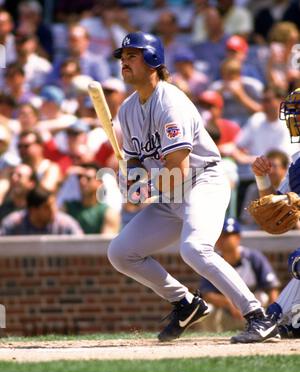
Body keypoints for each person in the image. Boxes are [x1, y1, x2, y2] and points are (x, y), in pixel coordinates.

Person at [107, 31, 279, 344]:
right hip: (171, 193)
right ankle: (185, 303)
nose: (124, 62)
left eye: (132, 55)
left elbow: (178, 170)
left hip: (203, 182)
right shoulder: (127, 110)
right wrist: (130, 183)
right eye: (123, 57)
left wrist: (143, 188)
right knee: (120, 252)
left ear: (153, 61)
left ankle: (259, 316)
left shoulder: (171, 102)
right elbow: (135, 161)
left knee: (195, 248)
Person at [252, 88, 300, 339]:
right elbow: (273, 209)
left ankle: (270, 317)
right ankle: (277, 317)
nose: (296, 120)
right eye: (296, 115)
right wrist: (262, 178)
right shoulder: (296, 162)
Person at [199, 217, 280, 332]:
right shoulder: (211, 261)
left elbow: (272, 288)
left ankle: (266, 328)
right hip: (227, 313)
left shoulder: (253, 257)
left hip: (256, 310)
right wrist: (230, 303)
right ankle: (212, 341)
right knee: (208, 309)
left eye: (227, 235)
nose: (221, 239)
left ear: (238, 237)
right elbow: (207, 294)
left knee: (264, 297)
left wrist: (274, 315)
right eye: (219, 236)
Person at [0, 186, 83, 236]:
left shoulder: (66, 224)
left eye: (54, 205)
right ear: (33, 210)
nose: (54, 210)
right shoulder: (13, 223)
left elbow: (82, 247)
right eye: (47, 207)